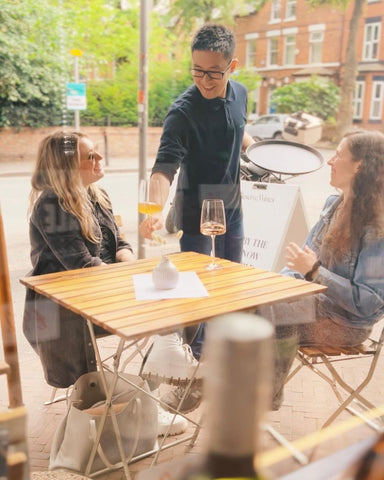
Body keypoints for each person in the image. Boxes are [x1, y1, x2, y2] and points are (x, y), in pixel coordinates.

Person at [22, 131, 188, 436]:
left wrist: (129, 264)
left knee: (178, 301)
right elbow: (83, 267)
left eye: (97, 152)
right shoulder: (51, 206)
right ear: (67, 167)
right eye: (90, 156)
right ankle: (145, 407)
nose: (100, 159)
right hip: (61, 308)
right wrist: (133, 281)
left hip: (99, 293)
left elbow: (120, 242)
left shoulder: (97, 194)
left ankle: (149, 395)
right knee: (167, 308)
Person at [139, 23, 255, 413]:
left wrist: (250, 148)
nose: (204, 80)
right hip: (196, 210)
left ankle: (222, 357)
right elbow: (163, 169)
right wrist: (153, 209)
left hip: (232, 208)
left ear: (232, 66)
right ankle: (194, 372)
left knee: (230, 286)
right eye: (196, 70)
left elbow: (238, 131)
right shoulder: (182, 112)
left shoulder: (240, 93)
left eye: (213, 72)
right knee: (198, 293)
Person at [266, 129, 384, 409]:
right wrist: (270, 285)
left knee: (268, 312)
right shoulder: (333, 205)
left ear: (359, 166)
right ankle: (213, 379)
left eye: (338, 155)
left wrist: (316, 271)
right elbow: (301, 268)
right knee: (252, 302)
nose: (330, 162)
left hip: (345, 324)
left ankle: (263, 394)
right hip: (315, 305)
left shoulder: (376, 226)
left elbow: (370, 304)